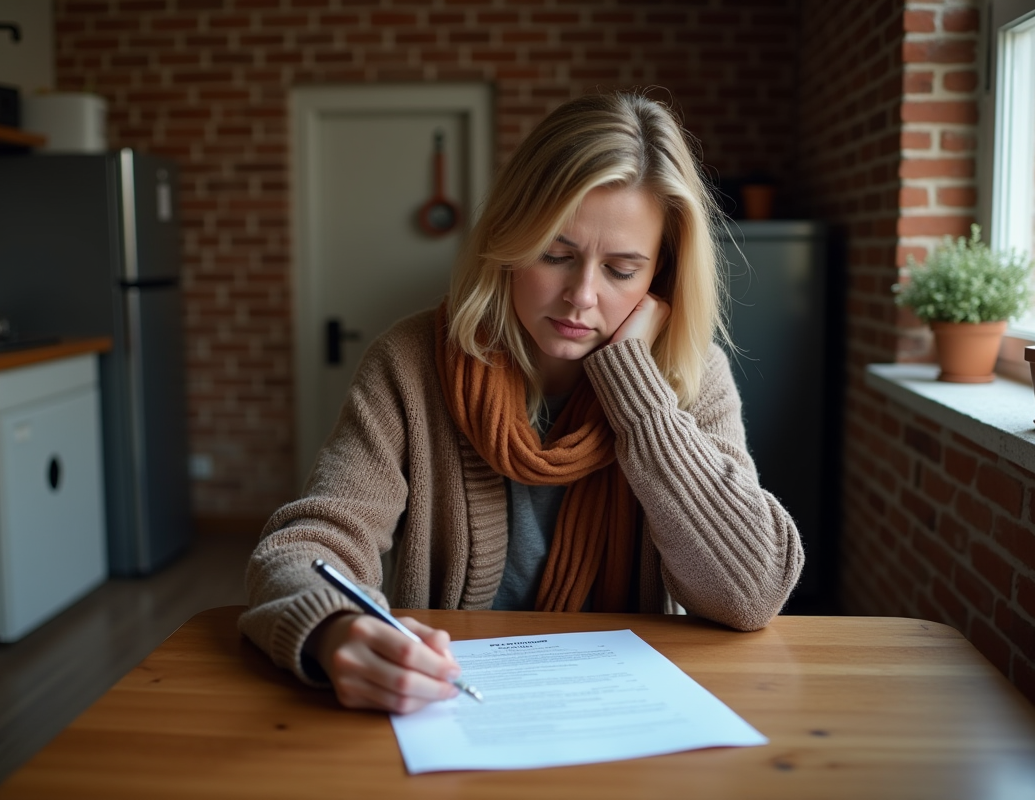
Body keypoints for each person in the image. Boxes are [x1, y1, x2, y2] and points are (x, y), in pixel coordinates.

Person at [240, 91, 805, 715]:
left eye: (621, 270)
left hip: (620, 713)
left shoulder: (690, 377)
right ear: (509, 239)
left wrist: (638, 394)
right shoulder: (408, 364)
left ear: (659, 277)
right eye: (554, 255)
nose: (580, 297)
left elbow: (751, 592)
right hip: (452, 708)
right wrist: (333, 630)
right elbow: (305, 547)